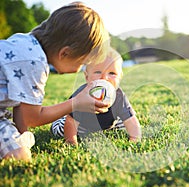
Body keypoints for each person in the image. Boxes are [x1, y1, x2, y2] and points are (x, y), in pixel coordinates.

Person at [0, 2, 110, 161]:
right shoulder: (34, 62)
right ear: (65, 53)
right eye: (82, 63)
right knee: (20, 157)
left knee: (21, 147)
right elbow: (31, 118)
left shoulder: (24, 43)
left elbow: (21, 117)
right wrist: (76, 103)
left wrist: (20, 139)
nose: (80, 69)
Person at [51, 48, 142, 145]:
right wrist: (71, 142)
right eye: (98, 72)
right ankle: (61, 118)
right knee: (60, 130)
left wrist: (134, 139)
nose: (104, 78)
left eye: (112, 73)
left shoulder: (119, 95)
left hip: (108, 124)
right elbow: (71, 122)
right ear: (87, 76)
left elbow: (130, 119)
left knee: (125, 123)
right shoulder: (81, 95)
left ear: (120, 77)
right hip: (82, 125)